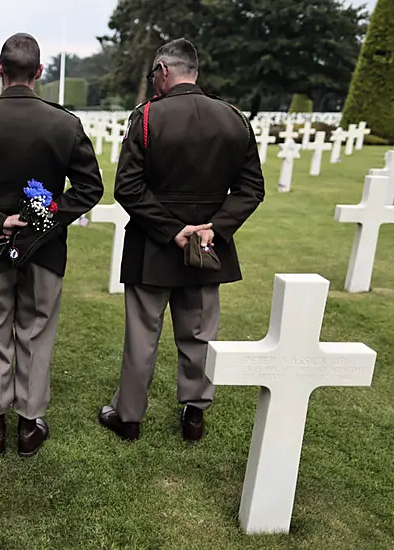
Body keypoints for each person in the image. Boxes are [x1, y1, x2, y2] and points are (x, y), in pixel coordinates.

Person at [0, 33, 103, 458]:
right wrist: (42, 221)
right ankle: (28, 427)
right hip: (45, 247)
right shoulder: (64, 122)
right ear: (40, 72)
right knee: (36, 332)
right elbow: (88, 188)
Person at [98, 38, 265, 443]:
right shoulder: (234, 119)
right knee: (200, 334)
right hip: (208, 246)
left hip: (152, 246)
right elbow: (251, 188)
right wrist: (215, 227)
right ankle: (194, 415)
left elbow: (128, 187)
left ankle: (130, 416)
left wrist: (172, 230)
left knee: (142, 335)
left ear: (163, 71)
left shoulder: (148, 117)